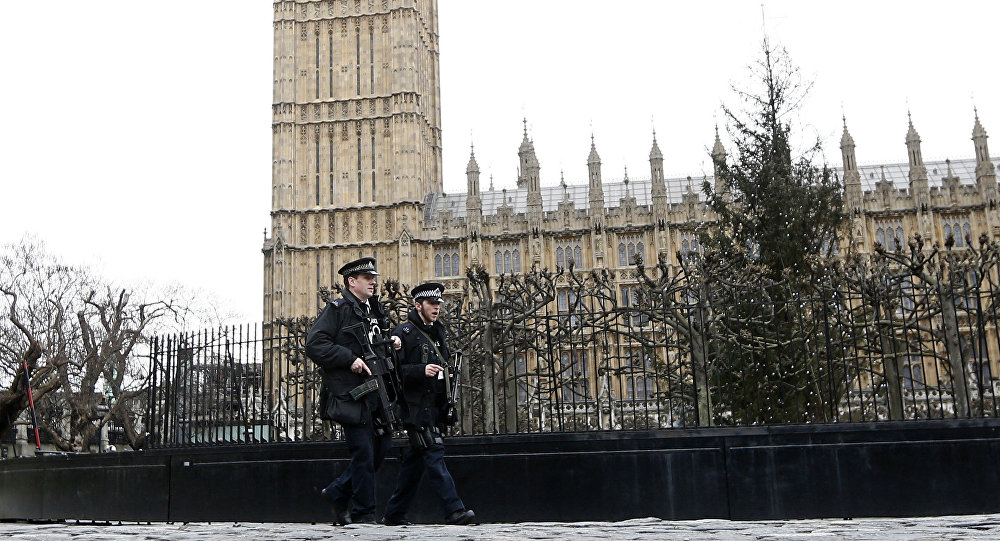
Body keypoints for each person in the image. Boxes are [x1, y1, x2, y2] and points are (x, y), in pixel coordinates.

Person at [305, 256, 402, 525]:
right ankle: (364, 514)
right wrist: (348, 358)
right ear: (352, 282)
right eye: (368, 278)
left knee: (381, 447)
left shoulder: (373, 309)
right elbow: (315, 344)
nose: (373, 282)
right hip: (353, 393)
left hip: (378, 390)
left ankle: (337, 492)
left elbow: (372, 343)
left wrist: (390, 340)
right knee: (363, 452)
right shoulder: (338, 309)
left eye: (374, 278)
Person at [381, 282, 476, 526]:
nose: (436, 308)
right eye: (432, 304)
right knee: (434, 453)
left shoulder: (438, 331)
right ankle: (454, 510)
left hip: (434, 406)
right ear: (418, 305)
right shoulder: (403, 333)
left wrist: (446, 375)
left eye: (438, 304)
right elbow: (393, 373)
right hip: (415, 408)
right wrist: (421, 370)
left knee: (414, 463)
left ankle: (394, 514)